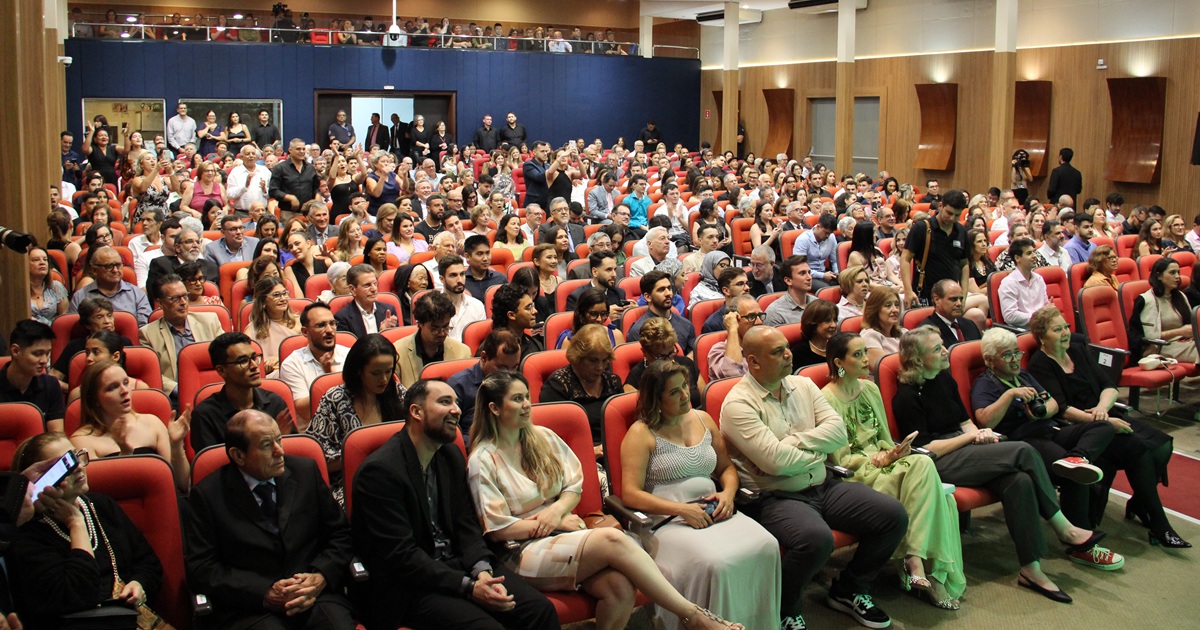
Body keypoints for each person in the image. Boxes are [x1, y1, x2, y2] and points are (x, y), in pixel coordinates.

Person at [469, 371, 745, 630]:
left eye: (527, 396)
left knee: (620, 588)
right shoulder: (483, 459)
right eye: (517, 399)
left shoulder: (543, 437)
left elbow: (573, 485)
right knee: (614, 539)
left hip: (565, 532)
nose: (527, 404)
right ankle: (693, 616)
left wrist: (558, 512)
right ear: (494, 408)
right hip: (521, 551)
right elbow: (498, 528)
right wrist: (554, 521)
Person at [892, 327, 1125, 604]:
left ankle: (1031, 568)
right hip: (938, 461)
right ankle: (1064, 527)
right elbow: (925, 448)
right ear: (918, 360)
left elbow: (965, 421)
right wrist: (972, 437)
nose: (945, 351)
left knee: (1019, 481)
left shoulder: (944, 378)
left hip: (965, 448)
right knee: (1023, 451)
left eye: (942, 345)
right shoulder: (905, 397)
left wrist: (981, 436)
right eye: (936, 349)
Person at [720, 327, 905, 629]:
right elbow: (776, 464)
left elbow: (837, 433)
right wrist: (815, 450)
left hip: (823, 484)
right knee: (816, 540)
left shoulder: (803, 385)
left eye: (786, 348)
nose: (788, 354)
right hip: (775, 497)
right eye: (777, 352)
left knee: (892, 515)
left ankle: (850, 588)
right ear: (753, 362)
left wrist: (794, 443)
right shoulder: (738, 404)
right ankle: (784, 608)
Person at [349, 378, 560, 629]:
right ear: (416, 412)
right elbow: (402, 556)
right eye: (445, 402)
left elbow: (466, 524)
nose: (457, 410)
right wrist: (469, 588)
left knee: (539, 610)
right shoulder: (380, 472)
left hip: (458, 565)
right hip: (409, 584)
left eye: (457, 403)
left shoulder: (450, 455)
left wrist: (481, 570)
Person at [822, 332, 965, 609]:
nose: (866, 359)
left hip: (886, 462)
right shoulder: (826, 400)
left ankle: (915, 558)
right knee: (932, 484)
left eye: (866, 352)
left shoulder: (871, 389)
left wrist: (895, 453)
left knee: (923, 465)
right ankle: (920, 564)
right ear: (839, 362)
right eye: (858, 355)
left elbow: (885, 439)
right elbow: (840, 458)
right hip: (858, 473)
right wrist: (879, 460)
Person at [1025, 307, 1187, 546]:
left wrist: (1102, 407)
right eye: (1057, 329)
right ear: (1042, 337)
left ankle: (1140, 503)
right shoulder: (1040, 364)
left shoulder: (1078, 351)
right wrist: (1100, 420)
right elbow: (1061, 408)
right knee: (1136, 448)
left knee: (1163, 445)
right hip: (1079, 427)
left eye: (1066, 327)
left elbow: (1108, 385)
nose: (1065, 333)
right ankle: (1160, 525)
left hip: (1103, 415)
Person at [185, 409, 357, 628]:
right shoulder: (209, 495)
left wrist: (320, 576)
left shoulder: (305, 472)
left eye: (279, 440)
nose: (279, 451)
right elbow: (202, 568)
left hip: (313, 596)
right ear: (238, 455)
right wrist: (264, 592)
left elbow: (341, 534)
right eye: (267, 445)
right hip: (252, 608)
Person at [7, 433, 166, 629]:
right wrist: (76, 524)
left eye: (76, 456)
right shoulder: (28, 534)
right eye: (66, 465)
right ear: (42, 481)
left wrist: (139, 585)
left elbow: (148, 563)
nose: (79, 467)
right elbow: (78, 596)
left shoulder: (102, 505)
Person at [306, 333, 407, 507]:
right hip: (350, 482)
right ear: (359, 370)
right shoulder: (335, 400)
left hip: (399, 477)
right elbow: (318, 460)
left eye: (388, 371)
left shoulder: (398, 393)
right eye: (376, 373)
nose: (384, 379)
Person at [70, 358, 191, 494]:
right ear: (95, 399)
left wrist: (176, 446)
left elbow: (183, 484)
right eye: (112, 387)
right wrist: (125, 454)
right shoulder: (81, 440)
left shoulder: (153, 423)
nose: (124, 391)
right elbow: (102, 497)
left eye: (126, 383)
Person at [191, 332, 292, 453]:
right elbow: (212, 466)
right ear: (222, 370)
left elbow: (291, 455)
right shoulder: (206, 415)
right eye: (243, 361)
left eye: (254, 358)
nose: (254, 366)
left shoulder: (275, 402)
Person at [540, 324, 624, 450]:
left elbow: (621, 425)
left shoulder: (613, 382)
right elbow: (552, 438)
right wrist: (589, 452)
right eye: (593, 361)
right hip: (575, 455)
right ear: (577, 358)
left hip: (614, 450)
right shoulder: (558, 385)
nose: (600, 367)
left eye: (605, 360)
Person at [139, 273, 224, 397]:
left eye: (185, 296)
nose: (183, 302)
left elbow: (227, 356)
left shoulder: (210, 320)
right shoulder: (147, 334)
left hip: (215, 390)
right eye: (175, 298)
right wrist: (183, 390)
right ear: (160, 303)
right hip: (177, 396)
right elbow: (152, 374)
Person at [448, 329, 523, 441]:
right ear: (484, 358)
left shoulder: (518, 384)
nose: (509, 375)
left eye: (514, 367)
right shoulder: (458, 385)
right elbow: (451, 434)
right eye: (502, 368)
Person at [901, 190, 969, 307]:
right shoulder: (922, 228)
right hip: (925, 294)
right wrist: (908, 291)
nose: (952, 218)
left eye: (957, 215)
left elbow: (964, 265)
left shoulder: (962, 231)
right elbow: (905, 259)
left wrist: (963, 294)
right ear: (940, 206)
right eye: (949, 213)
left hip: (951, 297)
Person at [1129, 257, 1199, 364]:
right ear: (1159, 276)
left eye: (1178, 272)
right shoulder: (1147, 300)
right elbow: (1151, 337)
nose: (1177, 276)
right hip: (1163, 347)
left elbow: (1191, 325)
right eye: (1172, 273)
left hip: (1186, 342)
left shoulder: (1180, 295)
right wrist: (1179, 331)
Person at [625, 316, 704, 408]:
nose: (668, 361)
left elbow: (704, 400)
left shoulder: (686, 363)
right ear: (645, 352)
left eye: (671, 353)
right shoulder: (635, 379)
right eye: (661, 357)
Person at [395, 292, 470, 388]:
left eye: (446, 327)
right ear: (420, 324)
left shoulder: (462, 352)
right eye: (435, 329)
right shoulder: (398, 353)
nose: (442, 333)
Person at [1, 320, 66, 431]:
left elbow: (57, 435)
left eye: (48, 353)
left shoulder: (51, 385)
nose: (44, 361)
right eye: (37, 354)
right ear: (15, 351)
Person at [68, 246, 153, 326]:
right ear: (94, 270)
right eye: (109, 266)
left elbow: (145, 328)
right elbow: (77, 329)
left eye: (118, 265)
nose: (115, 270)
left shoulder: (137, 294)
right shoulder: (80, 296)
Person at [244, 276, 302, 376]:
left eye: (284, 293)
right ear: (263, 301)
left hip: (299, 369)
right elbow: (249, 361)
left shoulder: (300, 322)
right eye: (276, 295)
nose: (283, 299)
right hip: (272, 376)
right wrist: (263, 366)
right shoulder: (252, 330)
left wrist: (280, 357)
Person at [628, 271, 697, 354]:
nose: (668, 293)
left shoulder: (686, 325)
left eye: (669, 288)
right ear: (648, 297)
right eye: (661, 290)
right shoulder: (638, 331)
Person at [334, 264, 399, 337]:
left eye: (375, 283)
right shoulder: (342, 318)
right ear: (352, 289)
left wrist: (387, 332)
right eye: (367, 285)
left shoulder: (389, 311)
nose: (374, 289)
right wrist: (381, 333)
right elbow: (349, 347)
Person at [707, 295, 763, 381]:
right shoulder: (719, 350)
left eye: (760, 315)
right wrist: (732, 328)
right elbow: (732, 376)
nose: (759, 322)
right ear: (736, 320)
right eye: (751, 317)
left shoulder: (765, 345)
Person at [997, 239, 1048, 328]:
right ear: (1017, 258)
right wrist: (1037, 317)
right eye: (1029, 253)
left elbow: (1045, 306)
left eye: (1034, 252)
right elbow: (1010, 316)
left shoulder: (1039, 279)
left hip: (1043, 327)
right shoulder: (1009, 283)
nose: (1034, 256)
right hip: (1023, 331)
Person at [555, 287, 626, 350]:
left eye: (603, 314)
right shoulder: (569, 341)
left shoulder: (616, 335)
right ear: (582, 314)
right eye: (593, 314)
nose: (599, 319)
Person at [920, 280, 981, 348]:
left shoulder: (970, 325)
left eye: (960, 299)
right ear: (937, 300)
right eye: (953, 299)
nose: (959, 304)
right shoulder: (926, 332)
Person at [491, 281, 545, 357]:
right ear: (512, 315)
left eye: (533, 306)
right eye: (528, 308)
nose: (535, 311)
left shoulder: (535, 345)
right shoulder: (492, 350)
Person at [763, 255, 817, 327]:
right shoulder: (775, 312)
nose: (809, 277)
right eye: (802, 273)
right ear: (788, 280)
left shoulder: (817, 304)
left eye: (809, 272)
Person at [788, 298, 838, 371]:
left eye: (835, 320)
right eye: (827, 321)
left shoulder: (839, 347)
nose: (833, 325)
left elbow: (843, 373)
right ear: (813, 323)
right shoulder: (798, 353)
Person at [28, 248, 68, 325]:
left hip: (53, 333)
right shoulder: (20, 289)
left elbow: (64, 318)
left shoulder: (56, 287)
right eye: (36, 260)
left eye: (45, 259)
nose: (42, 262)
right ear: (26, 265)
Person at [462, 235, 506, 302]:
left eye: (487, 253)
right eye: (480, 254)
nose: (485, 258)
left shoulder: (500, 279)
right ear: (467, 257)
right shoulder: (462, 282)